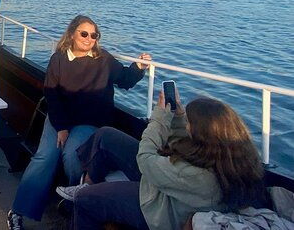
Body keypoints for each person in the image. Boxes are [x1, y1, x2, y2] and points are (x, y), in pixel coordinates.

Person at [7, 15, 151, 230]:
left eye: (94, 35)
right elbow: (52, 95)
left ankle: (77, 202)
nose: (89, 39)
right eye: (84, 33)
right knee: (45, 157)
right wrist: (61, 127)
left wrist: (139, 67)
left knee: (73, 155)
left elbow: (125, 79)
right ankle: (18, 211)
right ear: (72, 34)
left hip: (89, 120)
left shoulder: (103, 59)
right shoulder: (59, 59)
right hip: (60, 117)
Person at [60, 91, 270, 230]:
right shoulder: (231, 158)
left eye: (189, 123)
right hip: (174, 186)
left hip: (162, 209)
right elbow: (181, 142)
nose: (187, 125)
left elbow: (145, 159)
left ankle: (80, 198)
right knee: (106, 136)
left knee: (85, 200)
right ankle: (87, 183)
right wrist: (178, 117)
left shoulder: (199, 177)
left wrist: (159, 119)